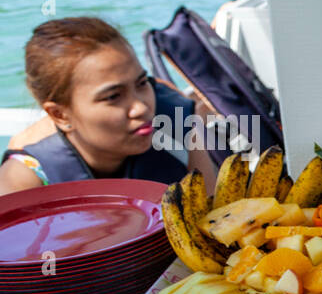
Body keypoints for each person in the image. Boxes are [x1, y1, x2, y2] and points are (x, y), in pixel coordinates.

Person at [0, 18, 210, 195]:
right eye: (112, 96)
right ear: (60, 115)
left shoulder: (177, 127)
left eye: (142, 83)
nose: (141, 108)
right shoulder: (23, 181)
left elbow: (218, 219)